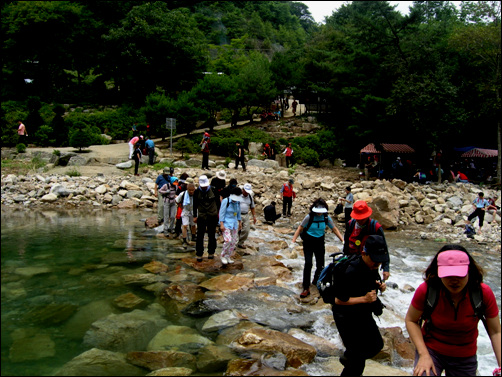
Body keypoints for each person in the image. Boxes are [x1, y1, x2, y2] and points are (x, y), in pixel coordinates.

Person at [405, 245, 501, 377]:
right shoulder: (427, 290)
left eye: (459, 275)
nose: (454, 280)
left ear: (469, 271)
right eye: (449, 275)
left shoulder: (483, 293)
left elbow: (496, 332)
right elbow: (411, 320)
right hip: (432, 350)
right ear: (439, 272)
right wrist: (423, 355)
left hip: (465, 356)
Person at [332, 235, 389, 376]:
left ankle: (349, 357)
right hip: (345, 316)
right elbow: (338, 300)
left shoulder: (371, 267)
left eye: (380, 262)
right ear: (364, 253)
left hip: (362, 313)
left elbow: (368, 283)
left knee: (376, 345)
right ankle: (351, 359)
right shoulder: (350, 271)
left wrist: (379, 286)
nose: (377, 265)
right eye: (375, 261)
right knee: (357, 362)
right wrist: (364, 299)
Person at [291, 198, 344, 299]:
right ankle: (306, 287)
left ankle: (315, 281)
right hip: (308, 242)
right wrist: (293, 241)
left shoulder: (326, 218)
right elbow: (300, 228)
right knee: (308, 263)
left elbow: (334, 229)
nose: (319, 214)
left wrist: (342, 240)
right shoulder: (309, 217)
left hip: (320, 242)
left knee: (321, 265)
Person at [343, 200, 390, 281]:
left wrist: (386, 268)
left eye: (362, 218)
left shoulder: (375, 227)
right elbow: (346, 243)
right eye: (358, 218)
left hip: (370, 265)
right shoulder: (350, 225)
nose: (360, 220)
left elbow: (384, 248)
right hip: (352, 262)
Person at [193, 175, 220, 262]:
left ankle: (211, 252)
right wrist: (194, 215)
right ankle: (199, 253)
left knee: (211, 234)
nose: (204, 187)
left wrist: (218, 214)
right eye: (203, 186)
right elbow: (194, 204)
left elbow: (218, 202)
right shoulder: (197, 192)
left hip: (212, 215)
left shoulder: (214, 190)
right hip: (201, 215)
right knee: (200, 235)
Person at [219, 187, 243, 265]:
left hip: (234, 224)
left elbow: (238, 213)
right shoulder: (226, 201)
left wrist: (240, 222)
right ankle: (222, 255)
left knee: (233, 241)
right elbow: (221, 213)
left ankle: (228, 256)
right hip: (226, 223)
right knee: (228, 240)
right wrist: (221, 224)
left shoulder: (237, 203)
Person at [176, 179, 196, 248]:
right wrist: (181, 207)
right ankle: (184, 239)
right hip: (185, 210)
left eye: (192, 190)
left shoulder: (196, 194)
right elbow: (177, 200)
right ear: (187, 189)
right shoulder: (183, 194)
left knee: (193, 225)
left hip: (193, 211)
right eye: (190, 190)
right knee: (185, 225)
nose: (191, 192)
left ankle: (193, 236)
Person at [237, 183, 256, 249]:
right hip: (237, 214)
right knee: (236, 229)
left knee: (246, 230)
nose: (247, 193)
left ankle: (241, 242)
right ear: (243, 190)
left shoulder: (250, 197)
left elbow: (252, 207)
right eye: (246, 191)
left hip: (246, 214)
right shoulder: (238, 196)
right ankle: (234, 243)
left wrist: (254, 216)